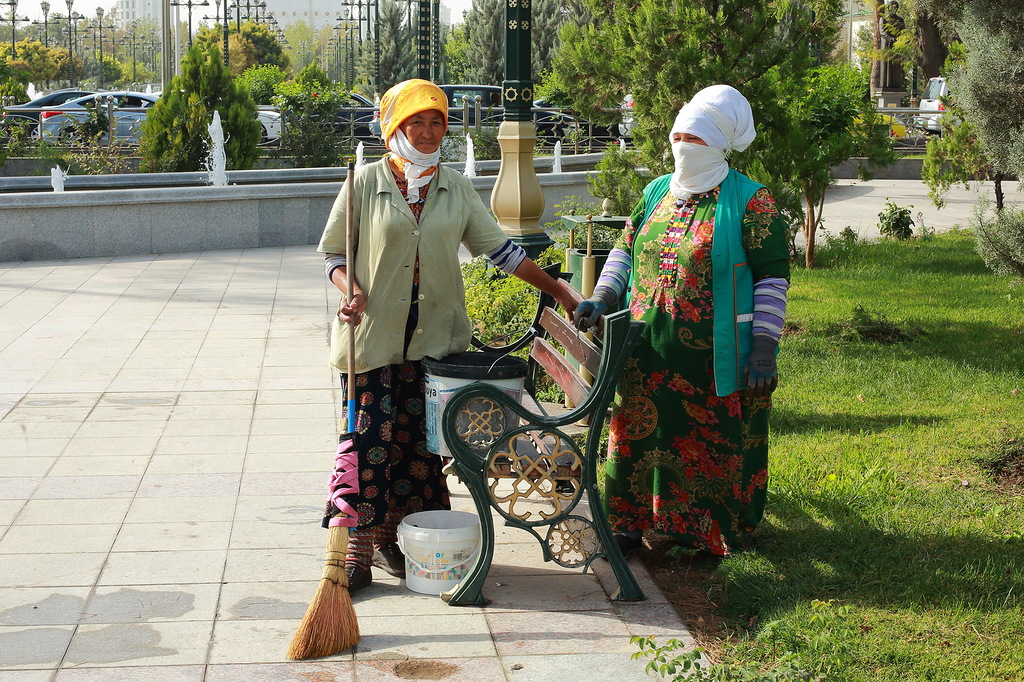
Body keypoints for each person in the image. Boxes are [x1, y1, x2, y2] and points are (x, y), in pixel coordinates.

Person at [317, 78, 578, 592]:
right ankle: (357, 548)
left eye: (437, 122)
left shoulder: (454, 187)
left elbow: (501, 252)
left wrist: (559, 290)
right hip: (371, 341)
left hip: (435, 344)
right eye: (417, 121)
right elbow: (333, 255)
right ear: (394, 127)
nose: (429, 132)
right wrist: (352, 290)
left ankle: (392, 538)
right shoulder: (364, 182)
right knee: (367, 444)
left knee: (418, 450)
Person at [575, 85, 790, 557]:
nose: (683, 146)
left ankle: (709, 533)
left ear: (720, 145)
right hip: (645, 355)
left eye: (695, 139)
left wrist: (764, 345)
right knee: (637, 436)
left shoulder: (751, 201)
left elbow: (772, 277)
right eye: (678, 136)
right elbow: (625, 250)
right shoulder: (656, 191)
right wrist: (602, 296)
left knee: (711, 445)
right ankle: (630, 524)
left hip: (714, 362)